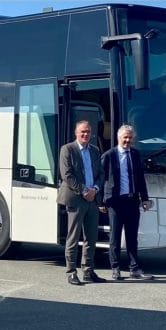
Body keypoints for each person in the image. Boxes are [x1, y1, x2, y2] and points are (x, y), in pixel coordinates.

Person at [99, 125, 154, 280]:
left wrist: (145, 199)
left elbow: (140, 179)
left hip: (132, 201)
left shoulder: (135, 155)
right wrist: (101, 201)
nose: (128, 140)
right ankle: (115, 268)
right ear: (119, 138)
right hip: (116, 202)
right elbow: (101, 179)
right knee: (115, 238)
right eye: (125, 137)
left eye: (130, 138)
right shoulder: (109, 156)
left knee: (132, 237)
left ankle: (134, 268)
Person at [58, 120, 105, 285]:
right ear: (76, 133)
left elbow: (101, 174)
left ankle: (88, 270)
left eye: (88, 132)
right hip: (76, 199)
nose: (86, 135)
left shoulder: (95, 150)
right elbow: (67, 175)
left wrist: (95, 190)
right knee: (73, 237)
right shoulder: (68, 149)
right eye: (82, 132)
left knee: (91, 238)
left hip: (92, 199)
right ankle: (71, 272)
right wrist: (85, 191)